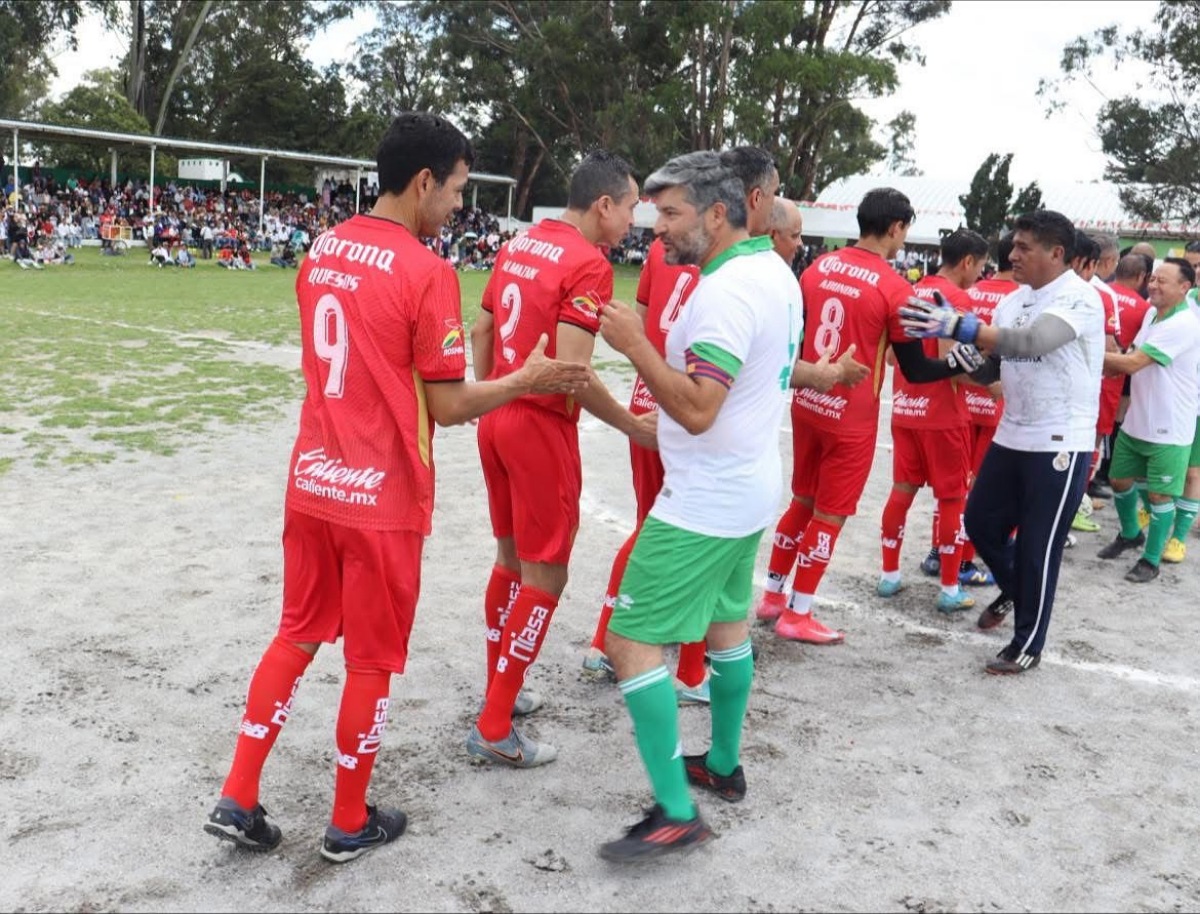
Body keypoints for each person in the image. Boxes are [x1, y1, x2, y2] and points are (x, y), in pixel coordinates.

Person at [202, 112, 588, 864]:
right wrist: (524, 380)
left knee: (297, 633)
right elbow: (444, 407)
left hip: (312, 478)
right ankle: (349, 820)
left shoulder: (321, 248)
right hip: (380, 496)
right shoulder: (426, 269)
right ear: (422, 182)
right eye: (455, 190)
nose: (457, 206)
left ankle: (238, 795)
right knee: (371, 659)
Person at [594, 150, 802, 862]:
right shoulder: (774, 269)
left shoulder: (725, 292)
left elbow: (698, 407)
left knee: (629, 640)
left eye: (673, 212)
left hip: (706, 500)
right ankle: (721, 763)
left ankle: (676, 813)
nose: (658, 228)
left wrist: (635, 345)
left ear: (720, 213)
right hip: (746, 485)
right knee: (724, 625)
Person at [466, 150, 653, 768]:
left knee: (510, 560)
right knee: (547, 574)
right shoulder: (589, 264)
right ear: (603, 205)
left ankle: (503, 691)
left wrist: (491, 392)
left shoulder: (518, 244)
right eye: (629, 208)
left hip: (496, 414)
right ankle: (494, 724)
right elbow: (570, 373)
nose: (633, 221)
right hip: (539, 428)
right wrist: (630, 424)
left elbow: (482, 331)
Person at [755, 188, 973, 644]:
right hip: (850, 417)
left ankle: (773, 596)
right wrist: (959, 364)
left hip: (809, 401)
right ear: (896, 228)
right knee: (830, 514)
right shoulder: (895, 287)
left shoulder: (817, 268)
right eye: (906, 229)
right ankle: (799, 611)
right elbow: (915, 368)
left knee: (803, 501)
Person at [900, 209, 1105, 673]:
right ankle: (1016, 588)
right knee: (980, 524)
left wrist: (959, 326)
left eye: (1024, 247)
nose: (1011, 254)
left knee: (1038, 548)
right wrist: (960, 352)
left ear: (1057, 253)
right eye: (1013, 245)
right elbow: (995, 369)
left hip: (1061, 442)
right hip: (1013, 434)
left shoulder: (1081, 297)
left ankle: (1027, 644)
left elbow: (1032, 343)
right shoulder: (1013, 301)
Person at [876, 228, 989, 612]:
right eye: (980, 267)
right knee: (953, 498)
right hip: (943, 416)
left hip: (906, 409)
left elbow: (893, 358)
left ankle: (890, 575)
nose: (979, 276)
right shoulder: (955, 298)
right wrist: (992, 383)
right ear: (968, 261)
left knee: (901, 491)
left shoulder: (909, 290)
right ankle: (949, 588)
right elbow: (952, 366)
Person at [1096, 258, 1200, 582]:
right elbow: (1131, 354)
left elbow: (1135, 362)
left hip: (1170, 427)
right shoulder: (1153, 314)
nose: (1153, 285)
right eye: (1152, 279)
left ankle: (1151, 560)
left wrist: (1081, 353)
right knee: (1119, 480)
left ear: (1185, 288)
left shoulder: (1183, 324)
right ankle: (1130, 534)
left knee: (1160, 495)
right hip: (1138, 419)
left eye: (1162, 281)